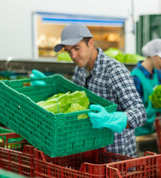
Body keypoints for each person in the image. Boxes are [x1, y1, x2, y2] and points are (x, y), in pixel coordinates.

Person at [51, 23, 146, 157]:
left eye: (77, 48)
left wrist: (112, 119)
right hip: (90, 151)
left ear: (91, 42)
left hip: (117, 157)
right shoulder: (80, 70)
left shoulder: (114, 71)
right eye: (69, 51)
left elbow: (140, 113)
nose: (73, 55)